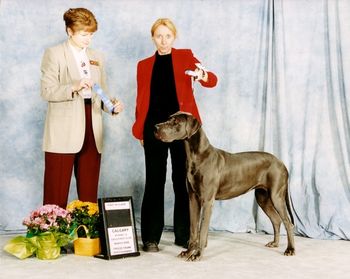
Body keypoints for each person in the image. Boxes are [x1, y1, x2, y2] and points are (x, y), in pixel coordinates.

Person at [132, 18, 218, 252]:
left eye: (167, 36)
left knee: (183, 181)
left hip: (182, 132)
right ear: (153, 38)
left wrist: (201, 76)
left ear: (174, 37)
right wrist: (140, 130)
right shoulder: (143, 65)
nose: (163, 40)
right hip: (154, 129)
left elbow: (212, 80)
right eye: (159, 36)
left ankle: (184, 236)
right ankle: (150, 238)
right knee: (154, 181)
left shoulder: (186, 57)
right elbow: (140, 101)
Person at [40, 8, 123, 208]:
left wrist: (112, 106)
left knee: (89, 190)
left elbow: (100, 92)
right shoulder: (54, 53)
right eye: (84, 34)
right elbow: (47, 91)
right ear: (70, 31)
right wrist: (73, 87)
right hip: (63, 129)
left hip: (92, 125)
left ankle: (87, 237)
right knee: (56, 189)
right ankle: (52, 237)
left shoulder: (97, 56)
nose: (88, 39)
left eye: (91, 34)